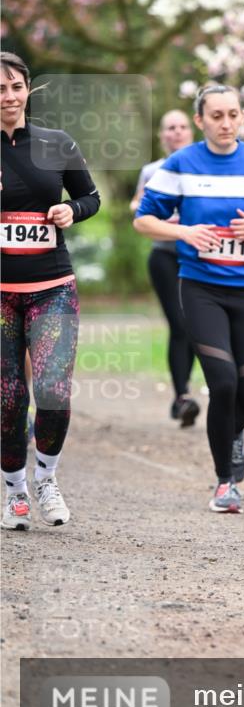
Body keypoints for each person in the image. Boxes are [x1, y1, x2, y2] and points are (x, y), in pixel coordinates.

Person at [134, 84, 244, 513]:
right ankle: (225, 483)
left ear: (241, 118)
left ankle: (233, 434)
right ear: (200, 121)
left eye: (233, 114)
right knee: (223, 383)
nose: (226, 123)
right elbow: (143, 220)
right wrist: (184, 231)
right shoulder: (181, 163)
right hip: (200, 287)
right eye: (216, 115)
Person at [1, 51, 101, 531]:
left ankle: (46, 479)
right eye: (0, 88)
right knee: (7, 398)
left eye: (15, 86)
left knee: (54, 391)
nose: (8, 95)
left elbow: (91, 196)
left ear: (27, 91)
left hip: (52, 287)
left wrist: (71, 212)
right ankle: (14, 490)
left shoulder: (56, 142)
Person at [130, 109, 200, 426]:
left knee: (198, 326)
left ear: (192, 131)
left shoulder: (203, 168)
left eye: (182, 126)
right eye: (170, 127)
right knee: (180, 323)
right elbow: (137, 204)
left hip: (199, 255)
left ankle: (183, 397)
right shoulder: (152, 170)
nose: (176, 132)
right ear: (162, 136)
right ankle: (182, 395)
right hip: (164, 256)